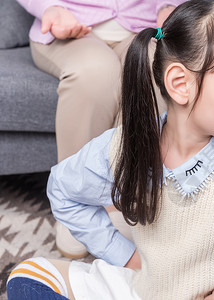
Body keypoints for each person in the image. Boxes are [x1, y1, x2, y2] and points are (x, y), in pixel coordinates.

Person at [6, 1, 214, 299]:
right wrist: (125, 257)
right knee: (30, 275)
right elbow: (63, 189)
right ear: (180, 84)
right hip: (152, 285)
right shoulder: (127, 142)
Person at [15, 0, 186, 259]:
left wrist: (170, 6)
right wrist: (50, 8)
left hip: (143, 26)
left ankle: (130, 196)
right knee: (95, 72)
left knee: (158, 68)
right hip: (67, 25)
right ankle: (75, 199)